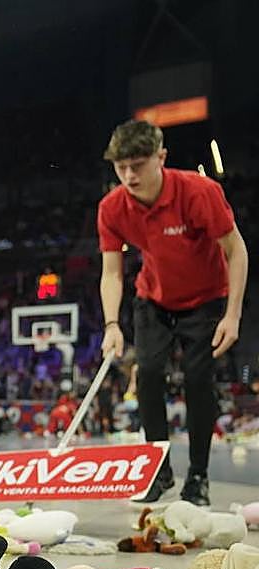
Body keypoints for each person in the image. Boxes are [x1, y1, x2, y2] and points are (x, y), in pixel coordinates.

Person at [97, 119, 249, 506]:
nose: (129, 175)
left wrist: (232, 315)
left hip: (206, 299)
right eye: (121, 167)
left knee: (198, 380)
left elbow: (236, 250)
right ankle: (157, 471)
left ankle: (197, 477)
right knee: (146, 373)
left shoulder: (199, 192)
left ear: (160, 157)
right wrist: (111, 324)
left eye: (138, 164)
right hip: (154, 298)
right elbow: (112, 272)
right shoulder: (112, 208)